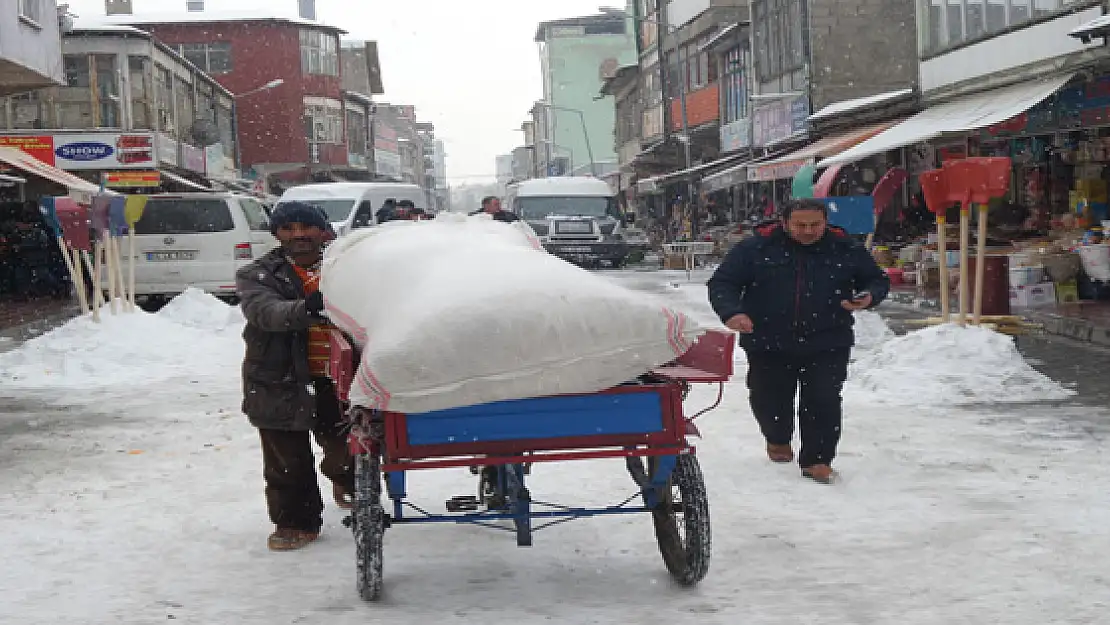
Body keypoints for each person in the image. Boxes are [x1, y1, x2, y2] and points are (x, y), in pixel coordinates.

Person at [707, 199, 890, 484]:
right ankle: (777, 437)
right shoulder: (755, 248)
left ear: (826, 222)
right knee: (769, 398)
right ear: (785, 223)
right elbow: (723, 283)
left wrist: (869, 295)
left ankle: (817, 459)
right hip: (767, 339)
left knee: (824, 399)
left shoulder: (845, 248)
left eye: (815, 225)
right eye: (800, 225)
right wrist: (733, 312)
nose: (808, 231)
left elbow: (876, 280)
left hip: (828, 338)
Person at [235, 201, 355, 551]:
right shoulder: (257, 274)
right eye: (288, 228)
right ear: (276, 234)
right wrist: (307, 309)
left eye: (306, 227)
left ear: (323, 231)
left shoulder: (346, 267)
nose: (298, 235)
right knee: (286, 461)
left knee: (346, 451)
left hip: (340, 380)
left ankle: (345, 480)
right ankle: (295, 522)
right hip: (278, 377)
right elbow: (265, 312)